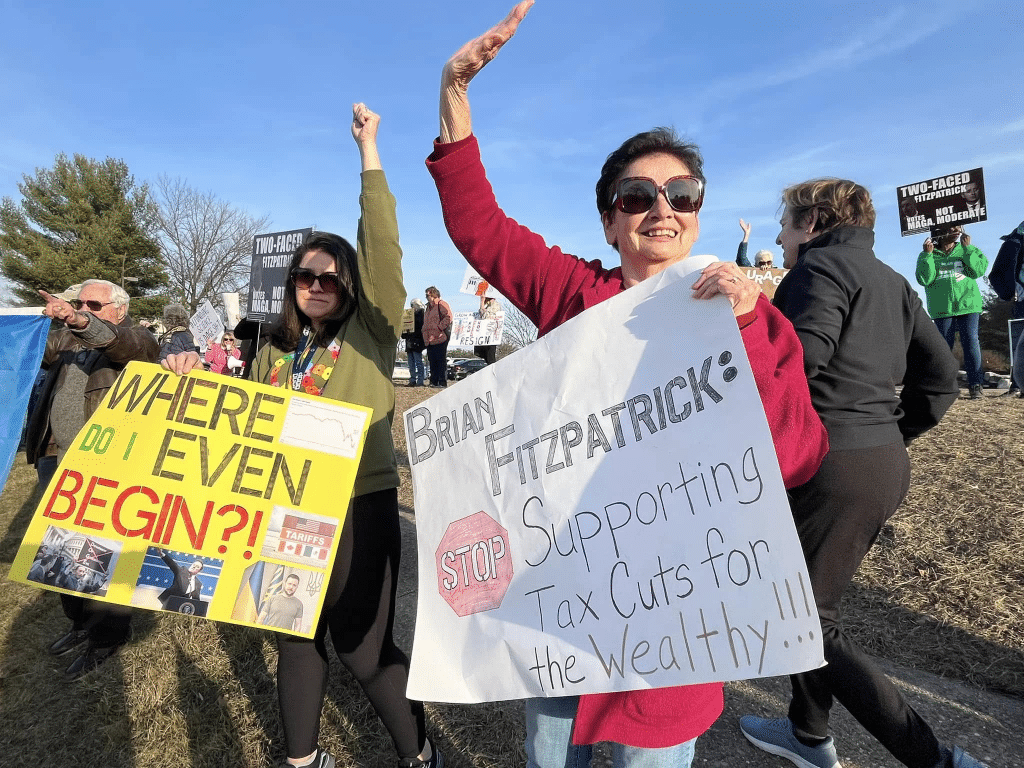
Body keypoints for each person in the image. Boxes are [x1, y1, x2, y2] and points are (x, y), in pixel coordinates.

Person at [427, 4, 827, 766]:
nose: (661, 209)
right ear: (611, 223)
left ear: (699, 212)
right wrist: (453, 96)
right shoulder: (577, 295)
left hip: (675, 625)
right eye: (636, 196)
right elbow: (482, 229)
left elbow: (795, 457)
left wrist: (744, 328)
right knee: (551, 754)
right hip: (564, 610)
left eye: (682, 194)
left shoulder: (750, 316)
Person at [162, 103, 440, 768]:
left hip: (355, 508)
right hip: (279, 508)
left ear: (348, 286)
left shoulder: (370, 333)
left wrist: (369, 156)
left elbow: (382, 250)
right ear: (291, 287)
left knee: (363, 650)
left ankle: (419, 754)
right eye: (305, 277)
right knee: (292, 636)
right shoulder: (273, 350)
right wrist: (186, 364)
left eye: (330, 277)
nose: (317, 287)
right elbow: (238, 425)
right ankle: (300, 760)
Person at [738, 179, 984, 768]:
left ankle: (933, 759)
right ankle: (807, 731)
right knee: (810, 607)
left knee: (804, 620)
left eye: (788, 225)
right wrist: (888, 436)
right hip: (879, 464)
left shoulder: (817, 271)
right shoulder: (895, 281)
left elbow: (797, 360)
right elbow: (943, 378)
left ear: (815, 221)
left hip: (828, 465)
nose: (779, 237)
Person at [25, 278, 159, 678]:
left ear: (119, 309)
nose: (83, 309)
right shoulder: (65, 341)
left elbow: (125, 345)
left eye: (95, 306)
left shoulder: (139, 339)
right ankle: (79, 624)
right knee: (60, 553)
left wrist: (79, 321)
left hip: (102, 468)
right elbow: (30, 350)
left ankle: (106, 638)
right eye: (79, 302)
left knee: (99, 558)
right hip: (54, 458)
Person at [915, 226, 989, 399]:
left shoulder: (967, 249)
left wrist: (968, 249)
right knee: (943, 348)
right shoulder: (928, 254)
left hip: (968, 305)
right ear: (940, 232)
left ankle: (975, 385)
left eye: (958, 227)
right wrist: (927, 255)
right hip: (942, 308)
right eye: (951, 228)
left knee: (971, 342)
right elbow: (924, 279)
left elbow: (978, 271)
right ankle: (943, 387)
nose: (956, 231)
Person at [989, 220, 1024, 396]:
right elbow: (998, 271)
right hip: (1022, 299)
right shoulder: (1015, 239)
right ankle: (1018, 386)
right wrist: (1008, 291)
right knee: (1020, 344)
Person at [422, 286, 451, 387]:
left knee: (440, 360)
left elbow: (448, 317)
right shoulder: (427, 308)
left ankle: (442, 382)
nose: (426, 297)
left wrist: (439, 329)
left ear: (434, 294)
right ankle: (433, 381)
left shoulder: (441, 304)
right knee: (432, 361)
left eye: (428, 295)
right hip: (429, 339)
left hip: (440, 337)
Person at [401, 298, 427, 386]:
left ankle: (420, 381)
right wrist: (404, 332)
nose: (412, 307)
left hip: (417, 341)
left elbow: (421, 326)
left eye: (413, 305)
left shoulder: (422, 314)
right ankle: (412, 380)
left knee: (418, 362)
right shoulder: (408, 315)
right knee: (411, 363)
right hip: (409, 341)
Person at [474, 295, 500, 364]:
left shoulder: (494, 305)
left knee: (490, 357)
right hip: (484, 334)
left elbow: (485, 316)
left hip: (490, 334)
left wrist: (482, 302)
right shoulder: (487, 305)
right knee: (482, 353)